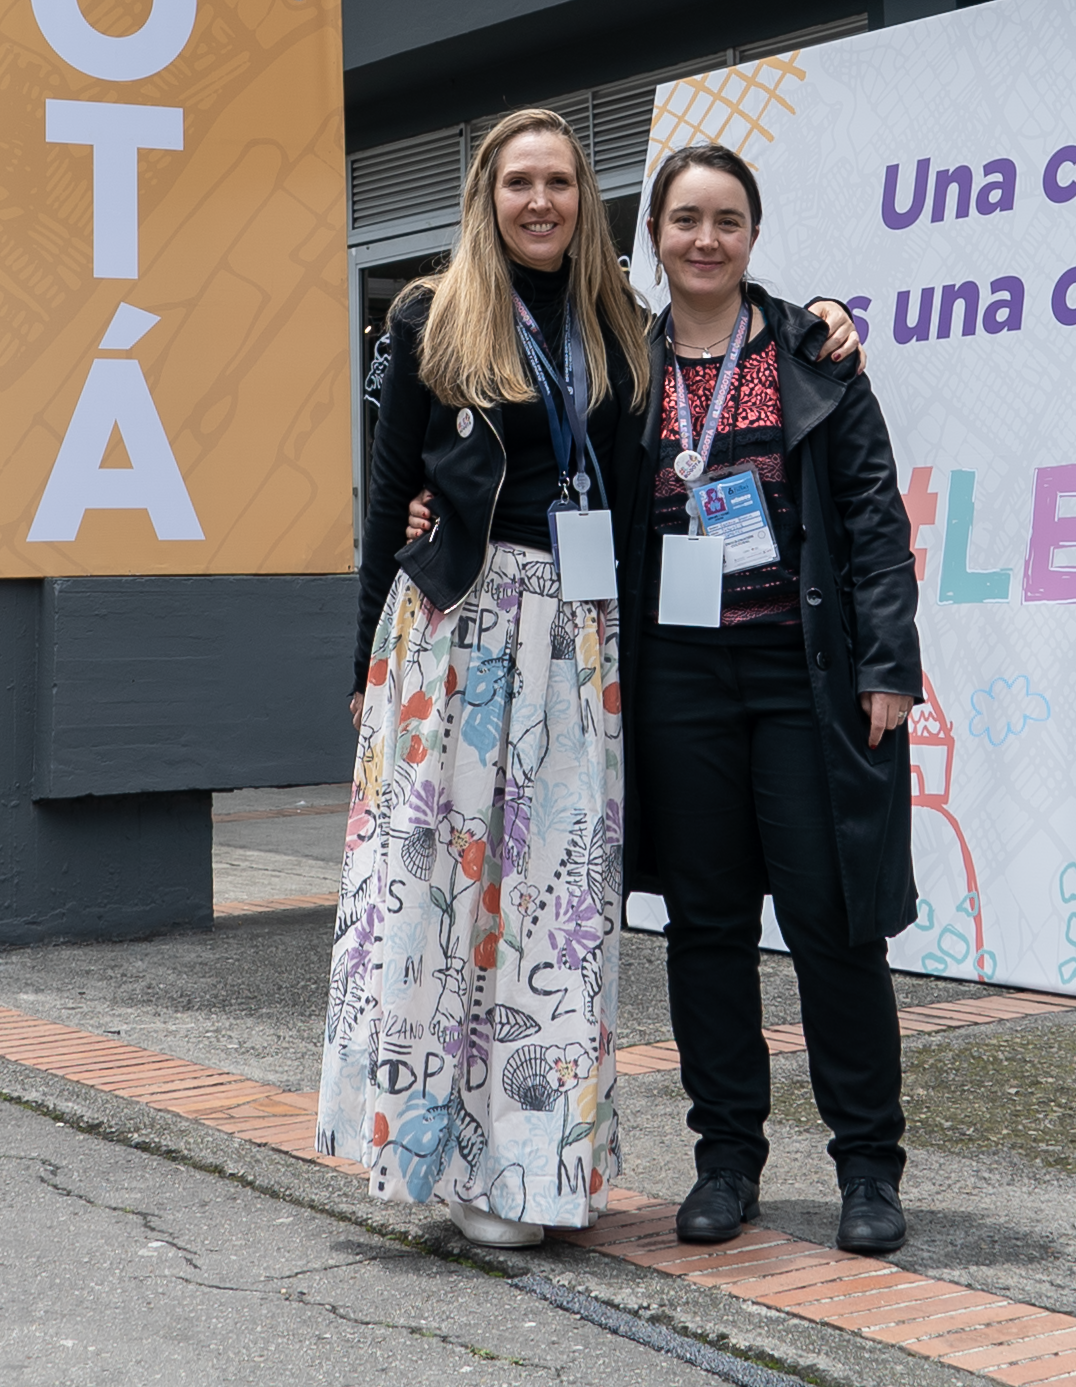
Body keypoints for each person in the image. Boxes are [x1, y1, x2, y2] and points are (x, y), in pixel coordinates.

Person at [317, 109, 859, 1249]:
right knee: (442, 907)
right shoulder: (428, 313)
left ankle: (531, 1171)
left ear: (588, 200)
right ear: (487, 193)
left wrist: (821, 318)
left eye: (561, 181)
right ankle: (436, 1158)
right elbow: (384, 504)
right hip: (455, 641)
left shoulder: (618, 323)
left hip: (577, 642)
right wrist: (363, 662)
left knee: (553, 916)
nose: (541, 201)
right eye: (519, 181)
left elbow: (720, 360)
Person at [614, 142, 922, 1257]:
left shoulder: (812, 353)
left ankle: (869, 1168)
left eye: (728, 219)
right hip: (677, 680)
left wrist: (889, 664)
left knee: (834, 923)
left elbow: (875, 518)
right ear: (654, 235)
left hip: (804, 677)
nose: (705, 238)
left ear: (752, 233)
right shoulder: (622, 366)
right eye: (685, 218)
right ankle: (726, 1159)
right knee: (704, 926)